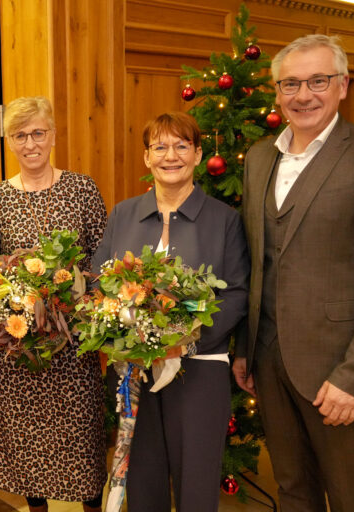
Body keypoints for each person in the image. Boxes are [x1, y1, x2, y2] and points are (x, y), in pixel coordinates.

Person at [232, 35, 354, 512]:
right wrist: (245, 347)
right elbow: (256, 261)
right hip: (268, 358)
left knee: (348, 494)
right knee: (292, 488)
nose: (303, 94)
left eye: (317, 80)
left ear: (342, 85)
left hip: (337, 368)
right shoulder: (261, 157)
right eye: (290, 83)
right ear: (277, 90)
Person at [92, 112, 249, 511]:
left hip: (199, 367)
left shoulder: (225, 219)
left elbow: (235, 294)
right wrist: (124, 334)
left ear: (198, 154)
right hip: (133, 371)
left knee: (196, 483)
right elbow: (99, 283)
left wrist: (179, 342)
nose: (170, 155)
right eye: (159, 147)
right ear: (146, 158)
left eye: (181, 145)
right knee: (143, 482)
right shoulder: (123, 214)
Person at [0, 96, 108, 512]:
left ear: (53, 135)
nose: (30, 143)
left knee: (79, 433)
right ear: (9, 142)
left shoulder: (82, 187)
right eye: (20, 135)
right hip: (19, 345)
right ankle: (36, 508)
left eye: (38, 132)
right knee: (26, 433)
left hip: (72, 344)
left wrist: (72, 293)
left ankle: (92, 506)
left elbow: (101, 258)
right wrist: (17, 303)